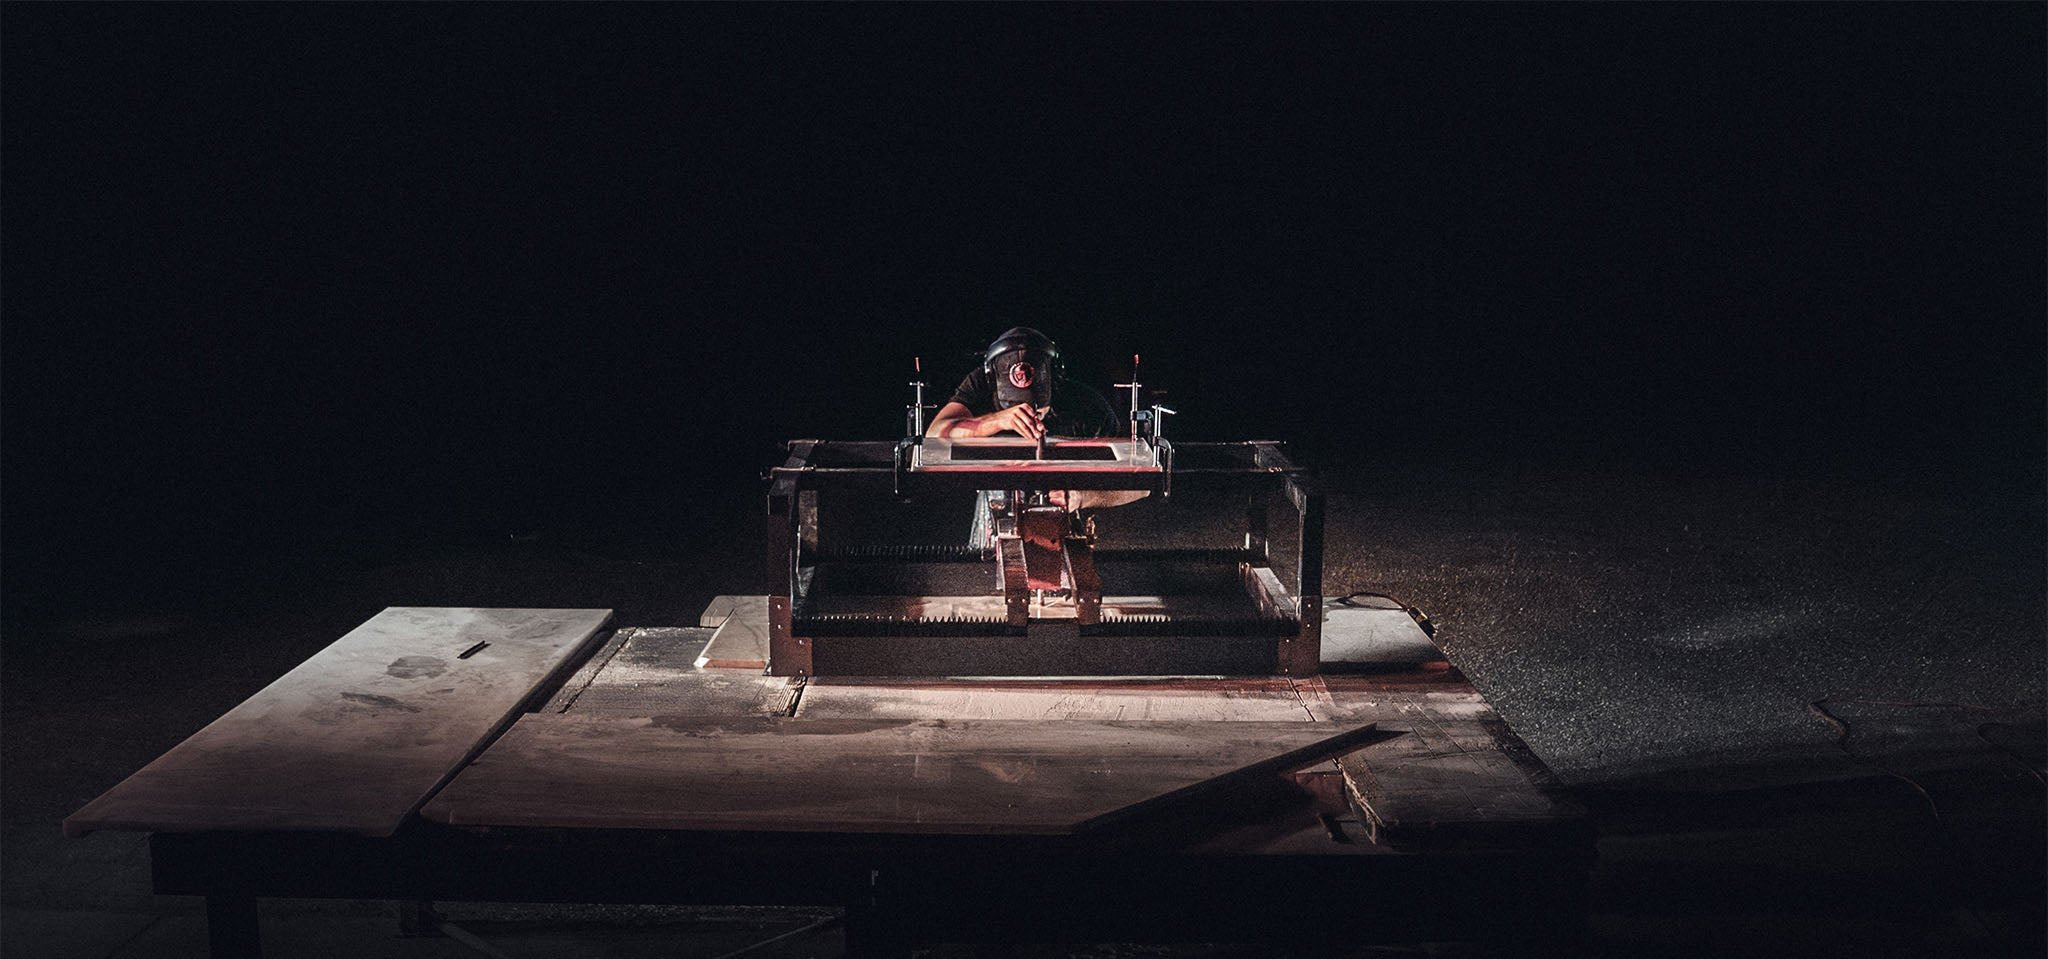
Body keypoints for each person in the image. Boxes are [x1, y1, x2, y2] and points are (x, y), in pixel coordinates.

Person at [927, 327, 1146, 518]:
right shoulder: (981, 384)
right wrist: (994, 421)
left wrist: (1082, 497)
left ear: (1055, 379)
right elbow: (933, 436)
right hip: (994, 506)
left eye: (1039, 410)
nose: (1032, 419)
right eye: (1019, 410)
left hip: (1063, 513)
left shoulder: (1087, 407)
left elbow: (1140, 484)